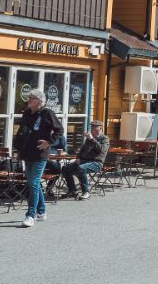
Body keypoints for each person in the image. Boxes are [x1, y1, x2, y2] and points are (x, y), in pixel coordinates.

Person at [13, 88, 63, 228]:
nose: (28, 99)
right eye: (28, 97)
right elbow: (21, 132)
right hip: (27, 152)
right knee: (32, 182)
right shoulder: (27, 113)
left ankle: (30, 215)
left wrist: (49, 142)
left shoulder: (47, 113)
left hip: (40, 154)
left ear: (39, 101)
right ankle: (41, 211)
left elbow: (59, 130)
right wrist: (18, 149)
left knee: (34, 183)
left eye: (31, 97)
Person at [62, 121, 109, 200]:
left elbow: (101, 150)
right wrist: (78, 158)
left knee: (81, 168)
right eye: (91, 127)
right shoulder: (89, 139)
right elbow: (82, 150)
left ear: (100, 128)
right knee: (66, 168)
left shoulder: (104, 138)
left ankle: (86, 192)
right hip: (84, 161)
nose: (92, 129)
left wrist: (92, 139)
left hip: (96, 163)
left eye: (94, 127)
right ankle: (72, 190)